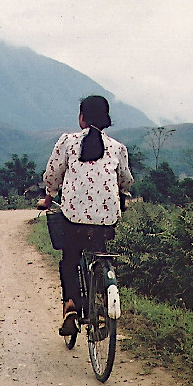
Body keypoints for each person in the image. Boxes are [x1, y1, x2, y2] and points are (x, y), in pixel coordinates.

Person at [37, 95, 134, 336]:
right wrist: (122, 199)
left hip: (73, 219)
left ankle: (70, 307)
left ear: (81, 118)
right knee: (99, 253)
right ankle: (101, 303)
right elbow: (125, 181)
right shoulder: (118, 148)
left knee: (70, 259)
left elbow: (52, 175)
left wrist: (48, 198)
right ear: (106, 119)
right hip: (106, 221)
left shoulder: (68, 142)